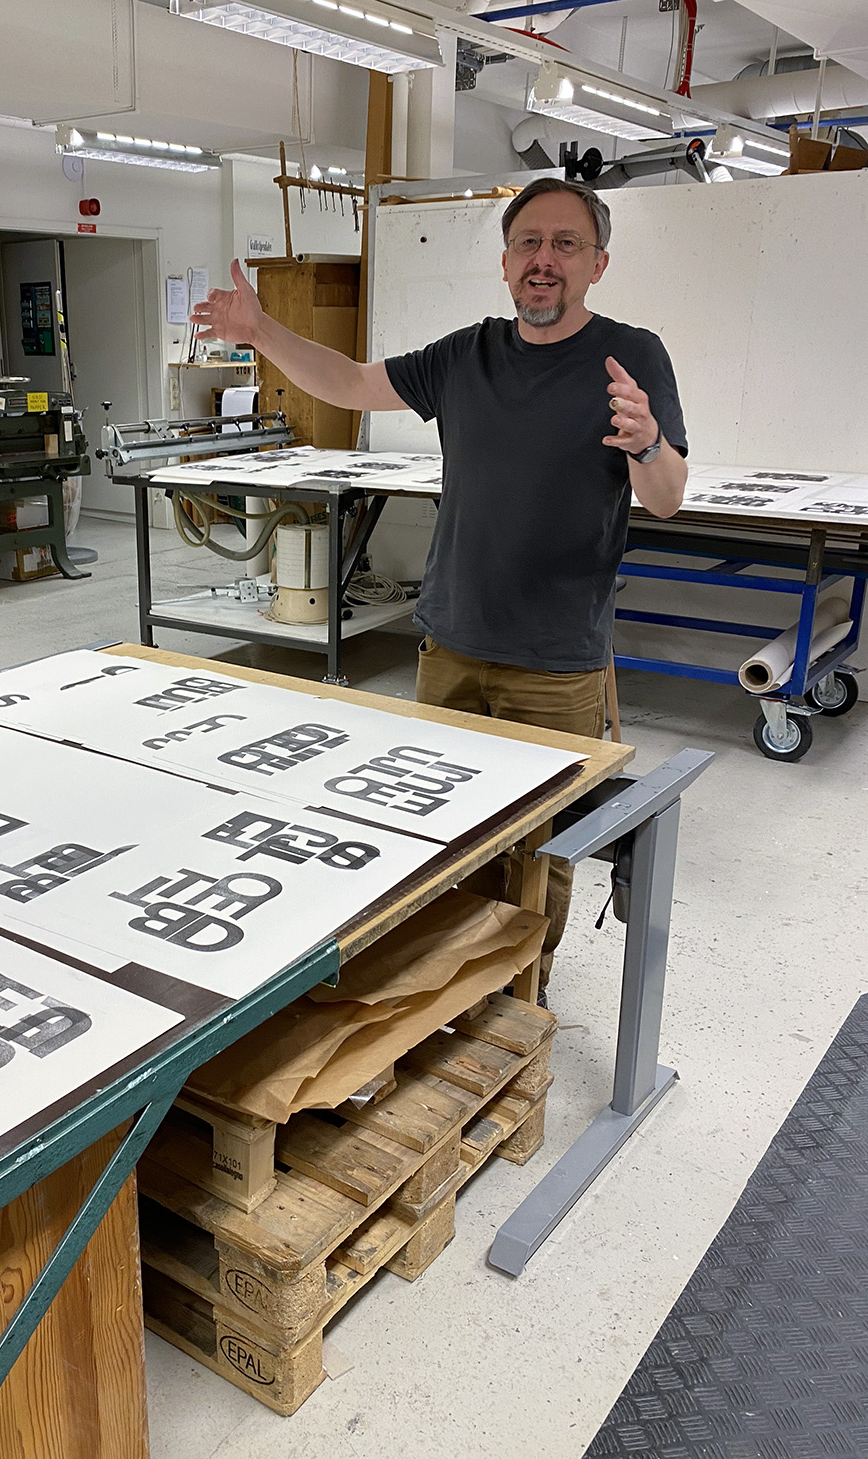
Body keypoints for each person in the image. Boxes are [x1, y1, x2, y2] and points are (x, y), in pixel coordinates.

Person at [191, 177, 689, 995]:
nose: (544, 260)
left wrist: (646, 442)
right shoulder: (467, 355)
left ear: (598, 263)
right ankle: (444, 989)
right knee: (440, 838)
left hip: (559, 663)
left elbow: (666, 495)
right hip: (449, 648)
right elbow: (351, 382)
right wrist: (259, 332)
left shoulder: (633, 356)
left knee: (537, 850)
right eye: (529, 242)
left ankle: (522, 997)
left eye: (566, 244)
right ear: (504, 261)